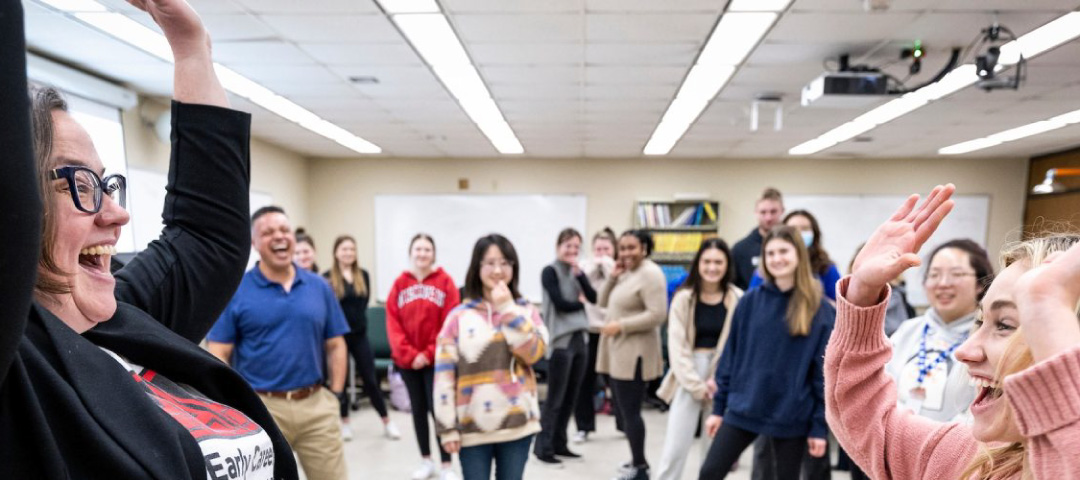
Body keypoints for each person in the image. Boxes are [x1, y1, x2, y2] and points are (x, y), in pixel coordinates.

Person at [0, 0, 296, 477]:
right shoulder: (21, 370)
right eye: (79, 185)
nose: (116, 213)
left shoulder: (120, 318)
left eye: (105, 184)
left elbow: (205, 236)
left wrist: (190, 48)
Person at [826, 184, 1080, 479]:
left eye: (1004, 325)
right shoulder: (972, 457)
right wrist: (862, 292)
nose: (965, 351)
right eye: (979, 321)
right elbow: (869, 422)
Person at [208, 206, 351, 480]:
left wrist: (336, 394)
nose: (279, 237)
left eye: (285, 230)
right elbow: (218, 353)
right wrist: (235, 406)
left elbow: (336, 344)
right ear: (254, 242)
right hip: (262, 408)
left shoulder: (319, 287)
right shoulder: (236, 290)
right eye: (268, 232)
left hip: (316, 405)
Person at [698, 226, 834, 480]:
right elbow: (730, 358)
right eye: (770, 253)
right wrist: (718, 409)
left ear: (798, 254)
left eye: (783, 251)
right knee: (709, 472)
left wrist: (818, 427)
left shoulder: (820, 309)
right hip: (744, 408)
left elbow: (822, 376)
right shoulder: (749, 302)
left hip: (791, 415)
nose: (776, 258)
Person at [434, 234, 549, 480]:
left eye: (505, 263)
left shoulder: (527, 311)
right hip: (472, 428)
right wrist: (447, 428)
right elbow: (444, 377)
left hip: (518, 426)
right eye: (490, 263)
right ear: (477, 268)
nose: (498, 270)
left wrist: (507, 309)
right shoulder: (457, 317)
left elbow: (534, 354)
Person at [655, 239, 743, 480]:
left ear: (727, 265)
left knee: (714, 453)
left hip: (723, 376)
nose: (712, 267)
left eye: (718, 262)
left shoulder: (738, 298)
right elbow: (677, 347)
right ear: (698, 264)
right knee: (675, 449)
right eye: (707, 261)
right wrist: (697, 386)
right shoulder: (684, 298)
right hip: (688, 374)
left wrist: (719, 380)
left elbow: (738, 345)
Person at [885, 239, 992, 423]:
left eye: (956, 274)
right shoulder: (908, 330)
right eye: (934, 274)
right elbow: (883, 385)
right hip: (894, 433)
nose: (943, 283)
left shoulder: (987, 338)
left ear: (980, 284)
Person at [387, 233, 462, 480]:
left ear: (434, 254)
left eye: (427, 249)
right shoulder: (400, 284)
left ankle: (447, 465)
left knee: (438, 410)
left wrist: (429, 353)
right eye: (418, 249)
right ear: (411, 252)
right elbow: (393, 323)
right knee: (418, 410)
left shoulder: (445, 282)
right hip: (408, 362)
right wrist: (410, 354)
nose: (422, 254)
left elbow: (450, 321)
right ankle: (426, 461)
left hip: (437, 361)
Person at [597, 230, 669, 480]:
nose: (626, 253)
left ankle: (640, 468)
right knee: (624, 411)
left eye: (632, 248)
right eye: (623, 248)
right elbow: (602, 301)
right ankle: (636, 459)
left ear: (645, 249)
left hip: (634, 355)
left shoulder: (651, 274)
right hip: (618, 351)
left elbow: (658, 314)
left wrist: (621, 325)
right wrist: (613, 277)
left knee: (630, 413)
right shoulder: (627, 272)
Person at [324, 235, 402, 441]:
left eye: (352, 249)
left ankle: (387, 421)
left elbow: (363, 303)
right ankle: (345, 423)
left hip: (360, 335)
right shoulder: (327, 277)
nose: (348, 253)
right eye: (344, 249)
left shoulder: (363, 275)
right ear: (336, 252)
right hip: (338, 337)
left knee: (370, 380)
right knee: (339, 381)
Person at [534, 228, 598, 465]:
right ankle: (543, 448)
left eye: (576, 246)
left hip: (580, 339)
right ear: (558, 246)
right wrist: (580, 305)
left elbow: (593, 298)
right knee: (555, 399)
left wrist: (581, 277)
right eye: (567, 245)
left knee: (571, 397)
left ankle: (560, 444)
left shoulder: (577, 272)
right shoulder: (549, 271)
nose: (572, 250)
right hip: (561, 341)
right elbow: (560, 303)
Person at [574, 227, 617, 443]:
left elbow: (614, 287)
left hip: (611, 330)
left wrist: (608, 266)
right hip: (589, 329)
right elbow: (583, 287)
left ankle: (624, 424)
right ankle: (584, 427)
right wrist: (593, 266)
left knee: (616, 380)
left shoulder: (618, 268)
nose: (601, 254)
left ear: (614, 250)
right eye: (598, 249)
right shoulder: (584, 267)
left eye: (606, 249)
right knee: (585, 381)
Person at [749, 209, 841, 301]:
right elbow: (751, 301)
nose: (799, 234)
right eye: (793, 229)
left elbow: (839, 304)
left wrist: (814, 298)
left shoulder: (826, 268)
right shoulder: (765, 271)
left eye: (804, 228)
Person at [731, 188, 784, 290]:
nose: (768, 218)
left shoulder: (793, 247)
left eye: (773, 212)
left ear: (782, 211)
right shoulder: (740, 249)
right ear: (756, 212)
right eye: (763, 212)